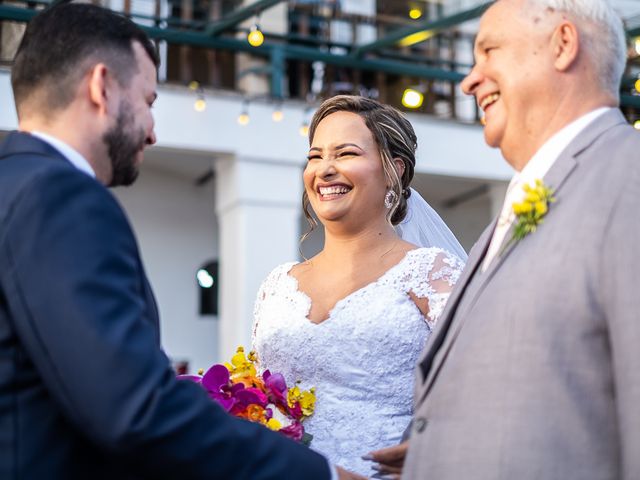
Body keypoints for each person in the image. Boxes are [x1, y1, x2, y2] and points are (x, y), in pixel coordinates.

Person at [0, 4, 362, 479]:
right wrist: (322, 475)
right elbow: (134, 409)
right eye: (148, 101)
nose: (152, 132)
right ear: (101, 86)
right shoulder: (61, 197)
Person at [399, 0, 640, 479]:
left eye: (488, 50)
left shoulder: (628, 179)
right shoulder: (504, 222)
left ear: (563, 44)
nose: (469, 80)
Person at [251, 95, 466, 477]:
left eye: (346, 154)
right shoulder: (277, 286)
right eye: (315, 156)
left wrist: (437, 449)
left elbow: (484, 389)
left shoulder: (432, 275)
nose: (325, 169)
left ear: (393, 170)